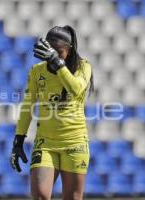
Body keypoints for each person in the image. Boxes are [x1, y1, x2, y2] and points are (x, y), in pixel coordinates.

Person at [10, 25, 94, 200]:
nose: (52, 56)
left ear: (69, 50)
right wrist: (18, 140)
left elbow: (76, 89)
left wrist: (58, 64)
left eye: (59, 52)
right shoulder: (37, 71)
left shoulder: (83, 67)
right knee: (40, 195)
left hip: (75, 143)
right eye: (50, 51)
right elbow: (28, 106)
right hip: (45, 143)